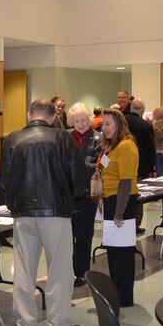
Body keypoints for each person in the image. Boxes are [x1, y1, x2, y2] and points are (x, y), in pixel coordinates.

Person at [0, 99, 87, 326]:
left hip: (22, 214)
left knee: (24, 271)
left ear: (29, 115)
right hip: (56, 213)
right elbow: (78, 180)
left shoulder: (11, 140)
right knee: (59, 270)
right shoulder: (62, 138)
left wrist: (14, 204)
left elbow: (3, 181)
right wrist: (70, 196)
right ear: (51, 118)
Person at [99, 108, 139, 307]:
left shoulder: (126, 146)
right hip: (112, 200)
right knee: (114, 251)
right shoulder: (112, 146)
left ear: (118, 124)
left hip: (122, 201)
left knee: (122, 252)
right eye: (102, 124)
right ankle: (116, 292)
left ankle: (124, 297)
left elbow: (125, 181)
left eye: (108, 124)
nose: (104, 128)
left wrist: (118, 212)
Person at [66, 102, 103, 288]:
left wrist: (71, 165)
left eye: (83, 120)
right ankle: (66, 271)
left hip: (87, 195)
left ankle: (81, 272)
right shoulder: (64, 137)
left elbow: (97, 166)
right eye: (76, 121)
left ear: (89, 119)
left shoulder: (99, 138)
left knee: (83, 236)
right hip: (65, 195)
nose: (80, 124)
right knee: (65, 237)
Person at [124, 99, 156, 234]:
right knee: (137, 196)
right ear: (142, 109)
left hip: (121, 165)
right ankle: (135, 225)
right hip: (140, 167)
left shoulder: (122, 122)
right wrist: (152, 168)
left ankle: (123, 221)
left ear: (131, 108)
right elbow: (150, 149)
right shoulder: (145, 126)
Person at [151, 106, 163, 177]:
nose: (153, 113)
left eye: (155, 111)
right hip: (152, 150)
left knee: (160, 172)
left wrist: (152, 126)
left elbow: (160, 135)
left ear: (160, 113)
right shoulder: (154, 122)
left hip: (159, 150)